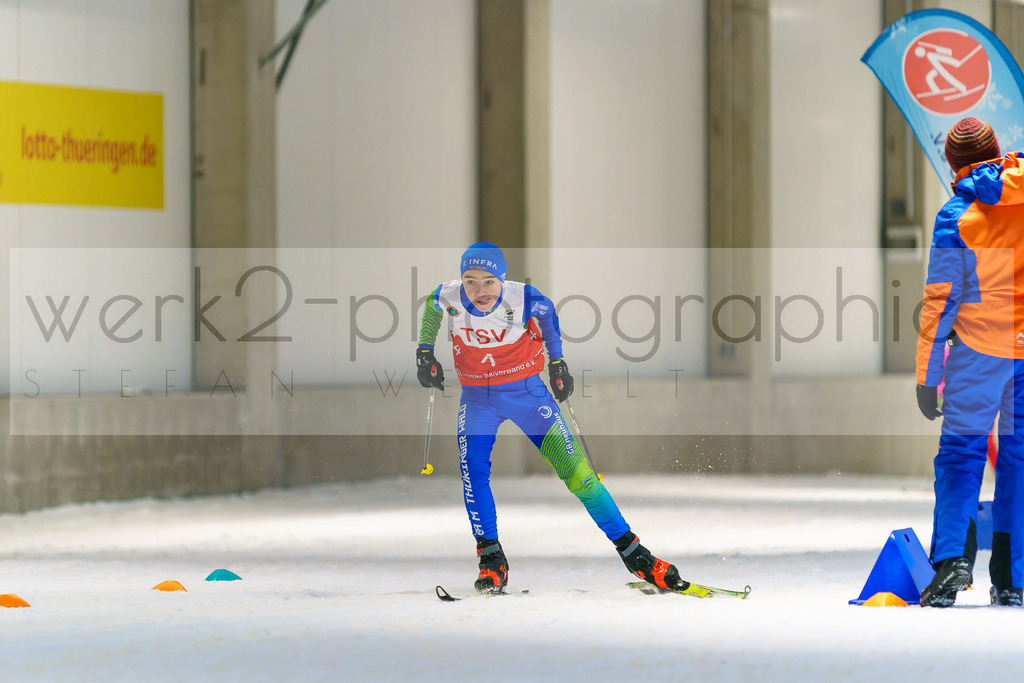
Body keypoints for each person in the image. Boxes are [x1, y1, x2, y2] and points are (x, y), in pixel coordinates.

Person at [416, 242, 684, 593]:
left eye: (488, 281)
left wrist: (557, 361)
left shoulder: (525, 297)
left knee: (579, 476)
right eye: (470, 281)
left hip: (527, 394)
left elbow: (548, 316)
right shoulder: (447, 295)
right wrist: (424, 351)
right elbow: (433, 309)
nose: (479, 291)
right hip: (478, 398)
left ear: (502, 279)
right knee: (473, 472)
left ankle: (636, 555)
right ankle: (491, 559)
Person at [915, 116, 1024, 607]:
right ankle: (1014, 576)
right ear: (999, 153)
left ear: (952, 164)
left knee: (961, 455)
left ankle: (953, 565)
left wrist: (927, 374)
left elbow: (941, 302)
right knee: (1020, 460)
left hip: (979, 354)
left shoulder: (956, 216)